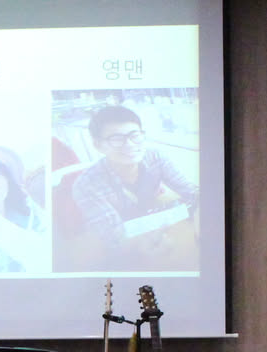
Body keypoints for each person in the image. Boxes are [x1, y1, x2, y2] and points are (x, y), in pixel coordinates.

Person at [69, 104, 197, 260]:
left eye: (134, 135)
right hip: (121, 244)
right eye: (116, 139)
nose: (130, 144)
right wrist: (141, 245)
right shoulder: (86, 185)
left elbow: (191, 192)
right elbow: (112, 237)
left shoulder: (155, 157)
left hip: (154, 223)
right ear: (98, 145)